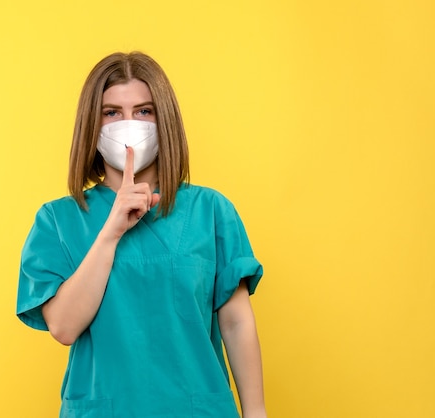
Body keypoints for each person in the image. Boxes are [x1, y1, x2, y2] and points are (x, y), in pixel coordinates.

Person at [16, 51, 266, 418]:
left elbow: (236, 321)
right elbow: (64, 326)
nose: (129, 124)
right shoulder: (58, 220)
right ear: (92, 124)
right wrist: (110, 232)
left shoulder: (210, 211)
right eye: (112, 112)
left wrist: (256, 413)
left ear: (164, 121)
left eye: (144, 111)